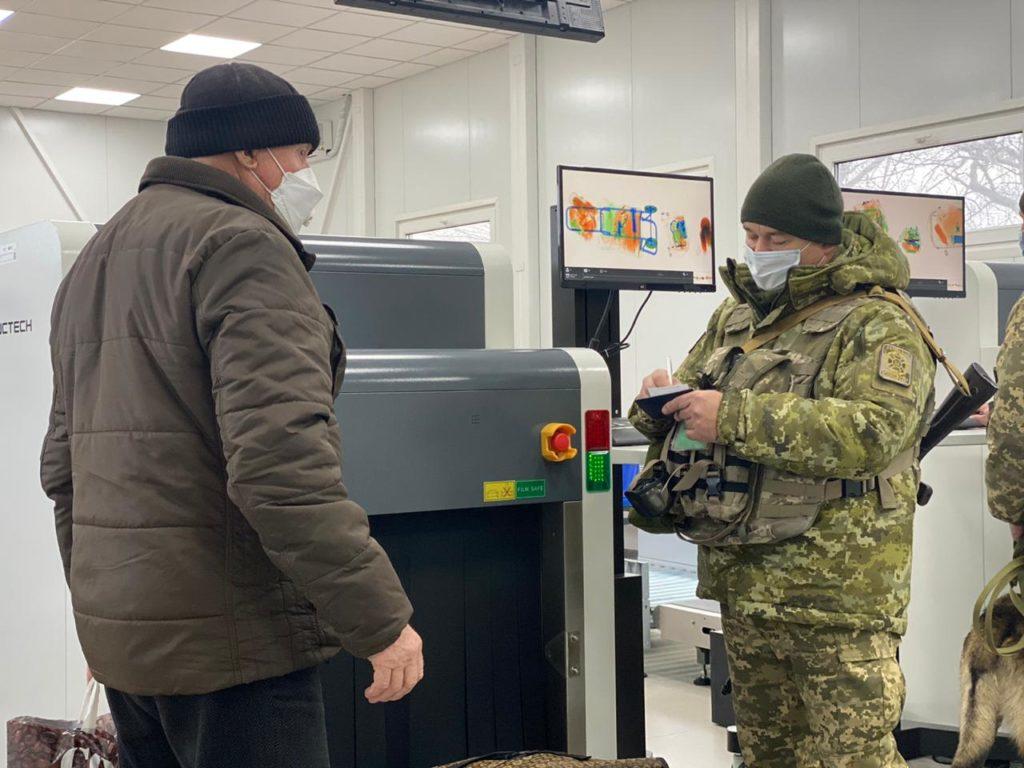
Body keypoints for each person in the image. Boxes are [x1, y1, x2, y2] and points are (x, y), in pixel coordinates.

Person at [39, 62, 422, 768]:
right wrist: (380, 620)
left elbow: (65, 470)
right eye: (300, 153)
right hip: (234, 647)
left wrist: (106, 625)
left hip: (132, 648)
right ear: (250, 151)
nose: (305, 174)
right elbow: (279, 466)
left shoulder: (95, 257)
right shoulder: (243, 245)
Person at [629, 154, 936, 767]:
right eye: (751, 236)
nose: (760, 250)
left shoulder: (878, 322)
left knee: (854, 758)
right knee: (768, 754)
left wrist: (733, 417)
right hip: (745, 580)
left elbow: (874, 432)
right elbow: (697, 397)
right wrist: (659, 403)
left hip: (835, 592)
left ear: (825, 243)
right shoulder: (739, 315)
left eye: (777, 239)